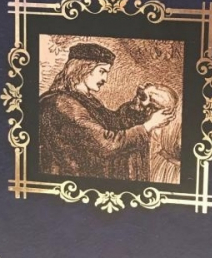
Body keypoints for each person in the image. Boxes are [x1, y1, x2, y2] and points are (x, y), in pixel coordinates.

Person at [39, 42, 173, 180]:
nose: (105, 79)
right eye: (102, 71)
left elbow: (113, 123)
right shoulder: (61, 103)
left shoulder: (84, 100)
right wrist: (148, 126)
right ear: (83, 69)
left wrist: (137, 107)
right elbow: (106, 143)